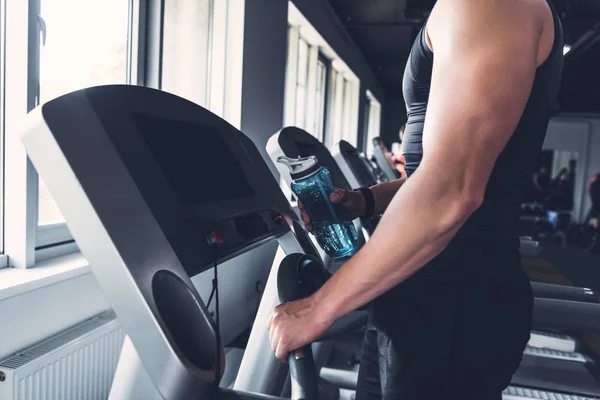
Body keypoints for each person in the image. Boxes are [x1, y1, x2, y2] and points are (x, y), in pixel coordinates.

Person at [267, 0, 563, 398]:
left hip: (450, 301)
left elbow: (451, 192)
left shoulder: (490, 5)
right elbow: (432, 176)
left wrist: (315, 310)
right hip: (423, 289)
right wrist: (365, 201)